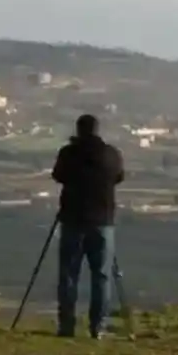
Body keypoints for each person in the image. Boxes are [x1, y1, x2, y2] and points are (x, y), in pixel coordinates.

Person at [50, 113, 125, 339]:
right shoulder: (111, 155)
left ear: (78, 129)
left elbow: (58, 175)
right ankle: (98, 326)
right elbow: (119, 177)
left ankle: (66, 326)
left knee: (69, 274)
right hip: (103, 222)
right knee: (101, 275)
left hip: (73, 220)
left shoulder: (69, 154)